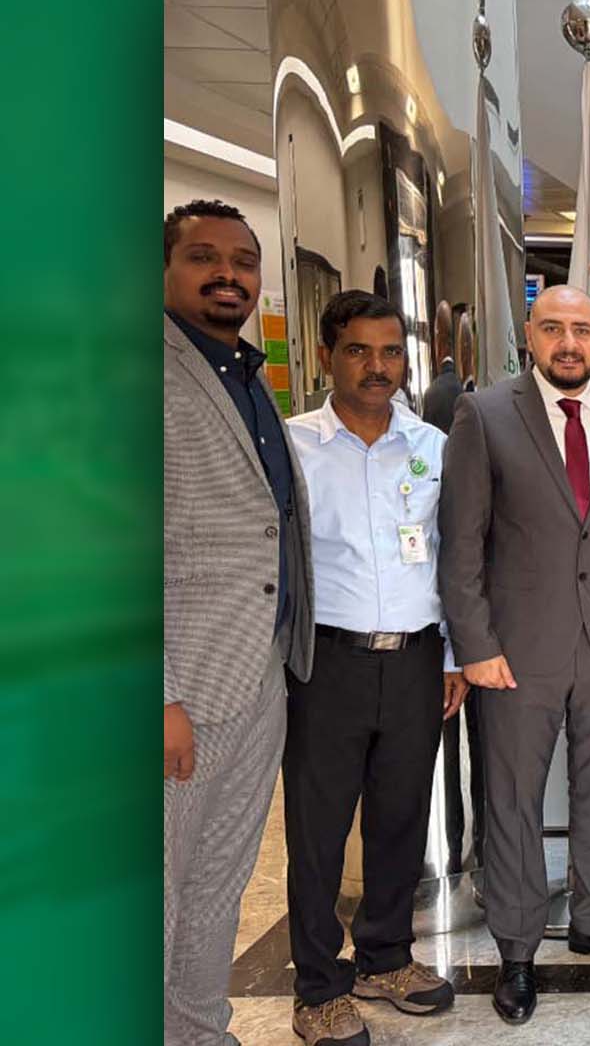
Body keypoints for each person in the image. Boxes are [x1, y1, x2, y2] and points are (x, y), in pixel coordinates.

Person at [438, 284, 590, 1026]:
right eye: (553, 330)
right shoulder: (484, 414)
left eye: (582, 329)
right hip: (515, 654)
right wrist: (474, 647)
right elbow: (461, 543)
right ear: (529, 339)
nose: (568, 343)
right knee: (512, 801)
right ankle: (516, 950)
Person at [281, 290, 465, 1044]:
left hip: (417, 661)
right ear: (329, 354)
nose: (377, 367)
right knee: (318, 833)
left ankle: (386, 955)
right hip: (327, 665)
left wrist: (454, 654)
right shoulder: (293, 446)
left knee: (399, 819)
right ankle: (319, 987)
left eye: (391, 352)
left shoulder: (431, 446)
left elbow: (452, 557)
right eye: (359, 350)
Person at [163, 198, 316, 1045]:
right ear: (164, 269)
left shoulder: (244, 375)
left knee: (218, 883)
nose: (228, 274)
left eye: (243, 261)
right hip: (183, 684)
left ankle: (198, 1031)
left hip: (260, 677)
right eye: (203, 258)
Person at [421, 355, 461, 433]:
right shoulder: (458, 385)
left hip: (437, 436)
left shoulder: (431, 388)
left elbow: (426, 420)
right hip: (454, 435)